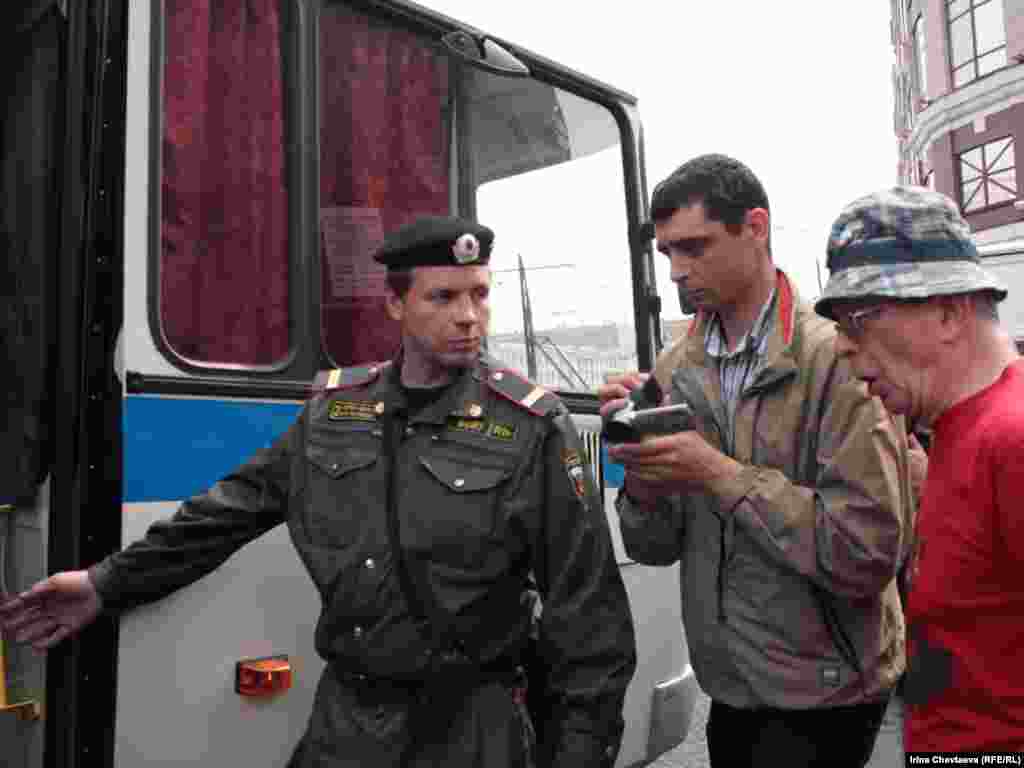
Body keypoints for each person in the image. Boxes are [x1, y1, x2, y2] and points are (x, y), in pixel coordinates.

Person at [0, 216, 637, 768]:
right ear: (395, 306)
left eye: (479, 295)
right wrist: (105, 583)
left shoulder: (529, 425)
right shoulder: (335, 412)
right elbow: (227, 512)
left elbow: (590, 619)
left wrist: (579, 754)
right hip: (351, 723)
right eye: (443, 297)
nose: (469, 317)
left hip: (475, 728)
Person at [598, 154, 913, 767]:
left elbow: (866, 550)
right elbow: (657, 546)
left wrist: (714, 472)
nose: (677, 272)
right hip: (731, 683)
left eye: (695, 247)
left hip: (826, 689)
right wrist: (641, 473)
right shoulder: (675, 369)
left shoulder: (839, 360)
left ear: (756, 227)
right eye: (666, 254)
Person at [815, 186, 1024, 753]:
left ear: (949, 312)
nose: (841, 348)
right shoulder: (960, 429)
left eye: (857, 320)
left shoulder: (1010, 438)